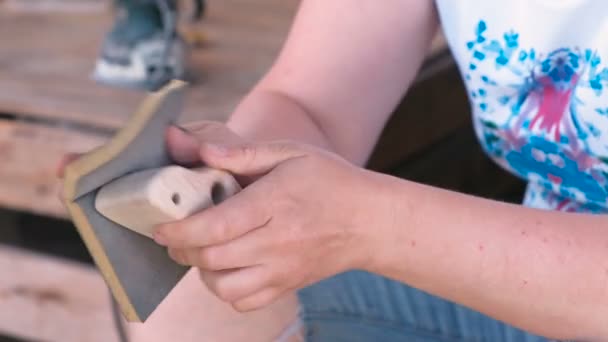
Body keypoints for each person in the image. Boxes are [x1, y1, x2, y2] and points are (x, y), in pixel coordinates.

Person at [58, 1, 608, 341]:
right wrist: (229, 171)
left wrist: (377, 225)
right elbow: (309, 103)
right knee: (206, 282)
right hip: (534, 289)